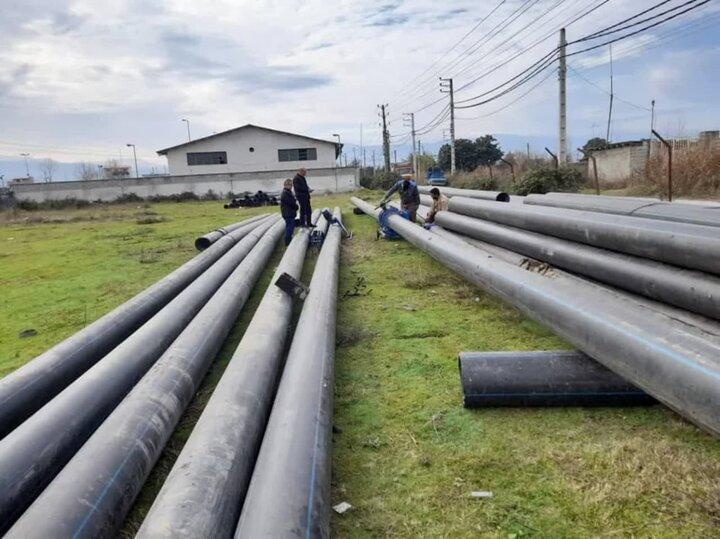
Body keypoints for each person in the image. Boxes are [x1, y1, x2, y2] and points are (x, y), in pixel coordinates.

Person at [280, 178, 298, 246]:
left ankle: (289, 241)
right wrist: (296, 207)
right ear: (285, 185)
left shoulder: (288, 192)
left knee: (290, 227)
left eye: (291, 185)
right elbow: (291, 203)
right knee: (289, 229)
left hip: (289, 213)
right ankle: (287, 243)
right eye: (290, 185)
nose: (291, 186)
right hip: (288, 214)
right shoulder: (285, 193)